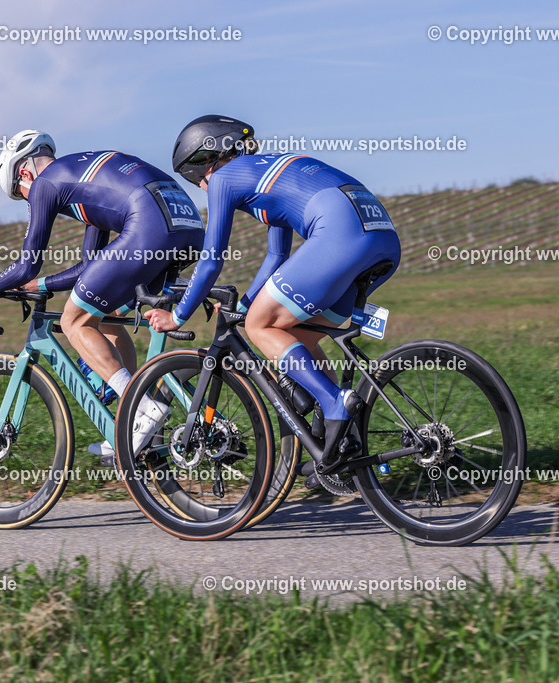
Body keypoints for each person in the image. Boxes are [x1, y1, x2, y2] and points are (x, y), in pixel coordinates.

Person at [146, 115, 401, 473]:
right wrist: (245, 304)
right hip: (381, 233)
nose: (199, 185)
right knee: (294, 334)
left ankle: (334, 404)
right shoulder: (268, 169)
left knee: (260, 326)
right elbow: (276, 256)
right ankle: (345, 446)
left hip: (340, 231)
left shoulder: (223, 178)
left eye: (193, 175)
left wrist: (177, 316)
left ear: (209, 159)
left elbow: (211, 261)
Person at [0, 130, 204, 463]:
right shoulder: (84, 179)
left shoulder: (44, 184)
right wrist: (39, 286)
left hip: (150, 224)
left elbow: (27, 264)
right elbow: (88, 266)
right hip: (187, 225)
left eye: (21, 194)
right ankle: (131, 422)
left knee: (74, 321)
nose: (29, 200)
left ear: (24, 172)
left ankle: (144, 410)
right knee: (106, 314)